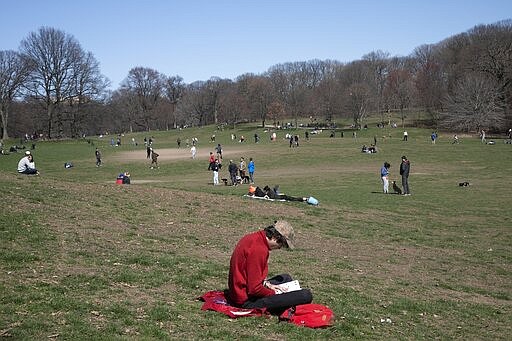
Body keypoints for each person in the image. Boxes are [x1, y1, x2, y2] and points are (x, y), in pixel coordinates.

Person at [227, 220, 313, 313]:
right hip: (246, 300)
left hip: (241, 290)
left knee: (285, 278)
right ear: (275, 237)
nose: (280, 248)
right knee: (306, 295)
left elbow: (250, 275)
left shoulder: (254, 238)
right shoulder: (259, 250)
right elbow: (254, 289)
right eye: (281, 244)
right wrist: (274, 293)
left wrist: (268, 285)